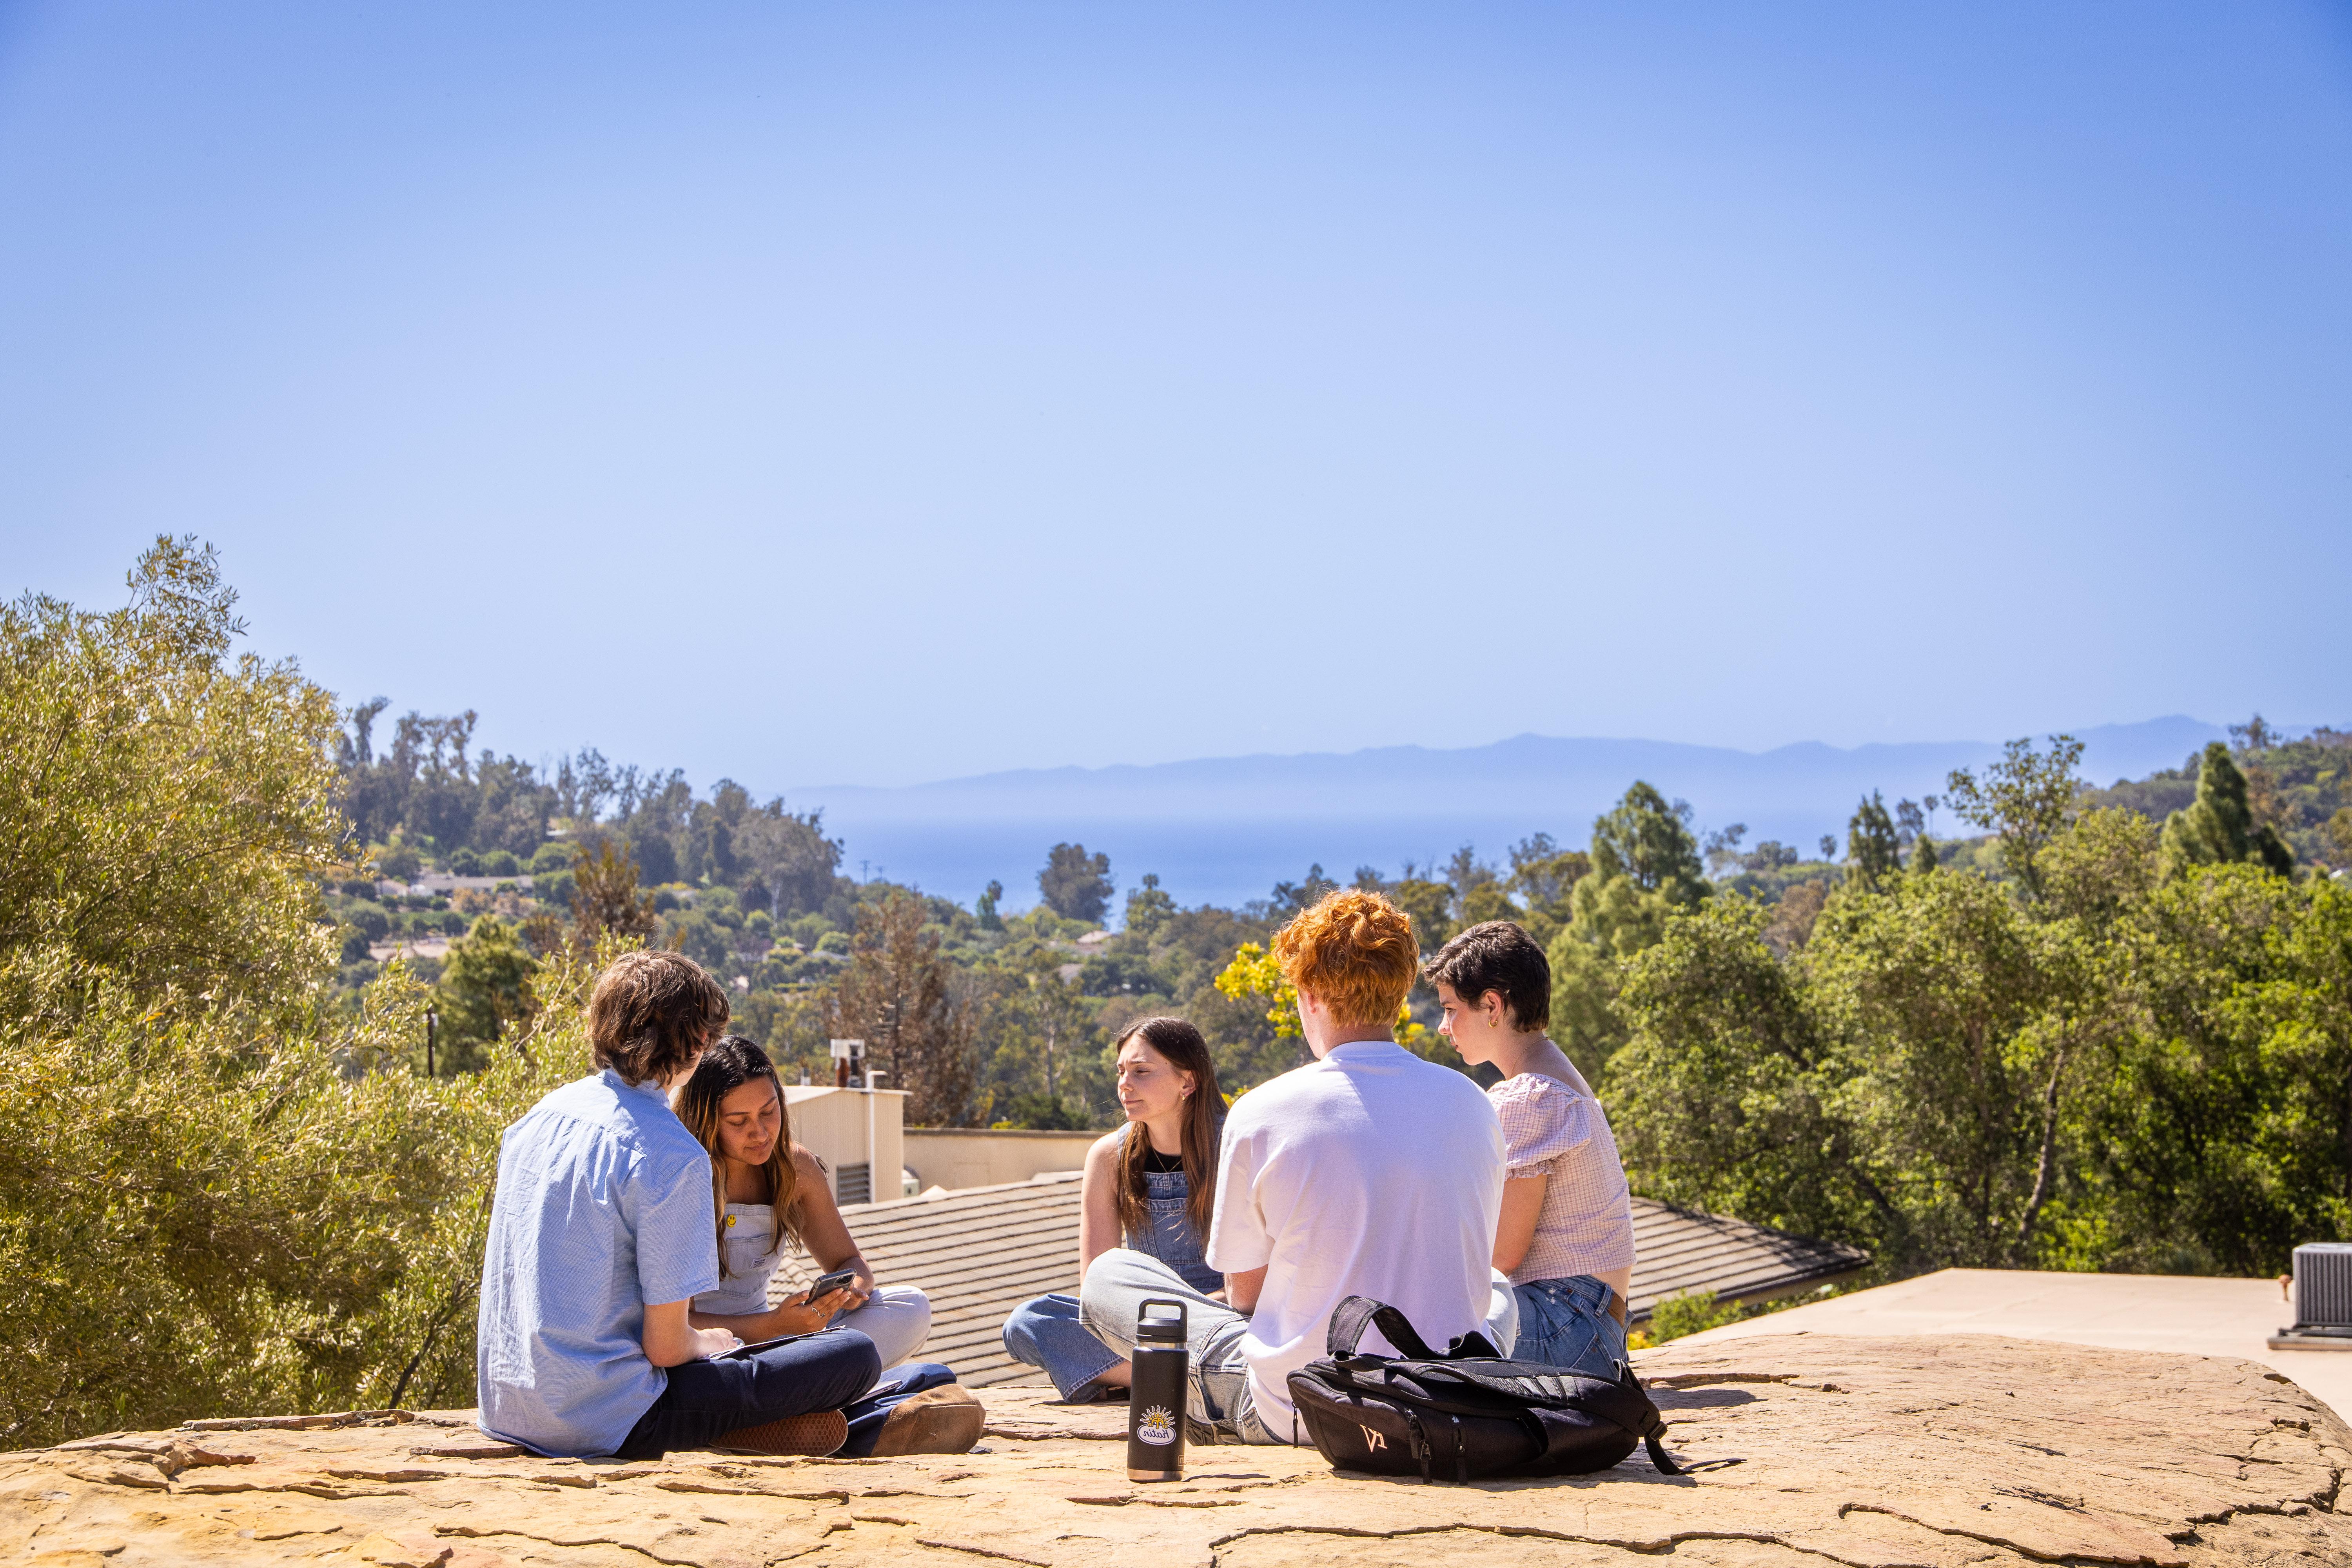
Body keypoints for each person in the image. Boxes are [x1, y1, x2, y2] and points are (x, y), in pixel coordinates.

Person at [475, 950, 977, 1460]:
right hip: (616, 1420)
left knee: (888, 1364)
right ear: (696, 1043)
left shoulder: (536, 1120)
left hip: (507, 1411)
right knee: (853, 1358)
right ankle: (821, 1427)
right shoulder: (670, 1153)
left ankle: (809, 1418)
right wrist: (722, 1344)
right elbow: (668, 1349)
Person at [1078, 889, 1517, 1444]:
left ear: (1310, 996)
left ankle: (1208, 1405)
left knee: (1109, 1276)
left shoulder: (1263, 1111)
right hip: (1444, 1394)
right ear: (1403, 992)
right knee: (1500, 1289)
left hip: (1300, 1409)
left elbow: (1245, 1298)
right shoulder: (1473, 1102)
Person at [1427, 920, 1635, 1380]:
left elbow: (1503, 1253)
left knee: (1396, 1324)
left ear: (1492, 1005)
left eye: (1450, 1009)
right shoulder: (1559, 1079)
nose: (1444, 1027)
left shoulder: (1529, 1096)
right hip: (1592, 1323)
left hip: (1569, 1326)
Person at [674, 1036, 938, 1377]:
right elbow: (678, 1326)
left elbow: (851, 1262)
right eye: (739, 1121)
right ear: (705, 1121)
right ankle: (810, 1387)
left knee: (911, 1306)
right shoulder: (682, 1182)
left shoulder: (796, 1168)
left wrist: (848, 1290)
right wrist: (773, 1325)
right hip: (707, 1353)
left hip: (777, 1341)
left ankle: (800, 1389)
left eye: (769, 1112)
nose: (760, 1133)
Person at [1001, 1018, 1224, 1401]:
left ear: (1188, 1081)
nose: (1125, 1084)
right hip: (1144, 1319)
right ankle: (1196, 1381)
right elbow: (1096, 1285)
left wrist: (1187, 1315)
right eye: (1121, 1071)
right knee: (1031, 1320)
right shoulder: (1109, 1156)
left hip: (1223, 1314)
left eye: (1141, 1072)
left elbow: (1254, 1287)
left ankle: (1155, 1377)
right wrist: (1147, 1321)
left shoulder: (1238, 1146)